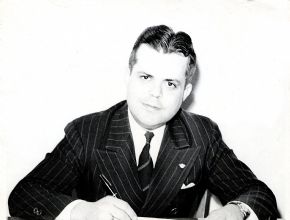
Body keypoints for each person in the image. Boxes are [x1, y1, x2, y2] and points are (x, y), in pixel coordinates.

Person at [8, 25, 279, 220]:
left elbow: (258, 193)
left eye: (170, 83)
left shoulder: (202, 135)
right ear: (128, 76)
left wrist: (235, 211)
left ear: (185, 92)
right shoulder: (86, 132)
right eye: (146, 77)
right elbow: (24, 194)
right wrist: (80, 210)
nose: (155, 94)